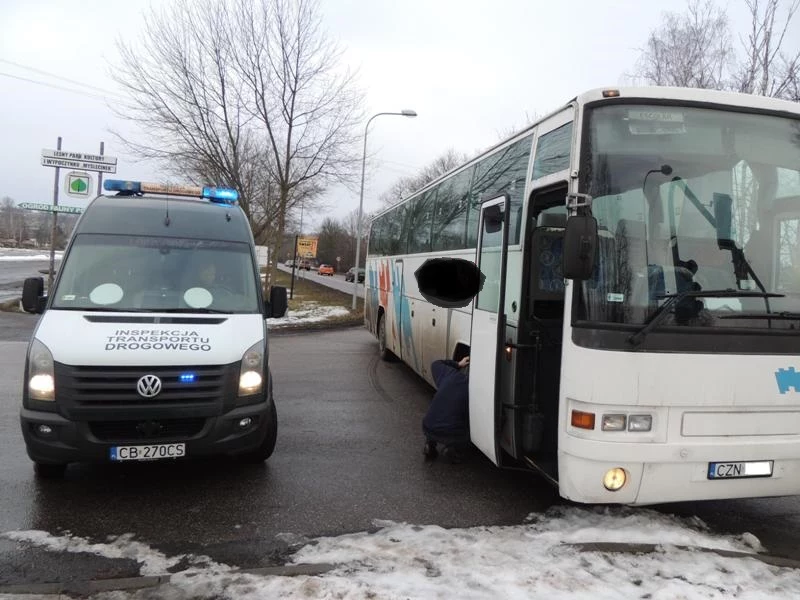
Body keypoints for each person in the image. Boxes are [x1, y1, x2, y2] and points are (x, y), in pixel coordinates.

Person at [422, 355, 470, 463]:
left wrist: (458, 364)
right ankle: (453, 449)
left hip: (428, 427)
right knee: (467, 430)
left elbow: (436, 363)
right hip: (450, 433)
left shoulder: (449, 374)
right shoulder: (473, 389)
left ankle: (429, 445)